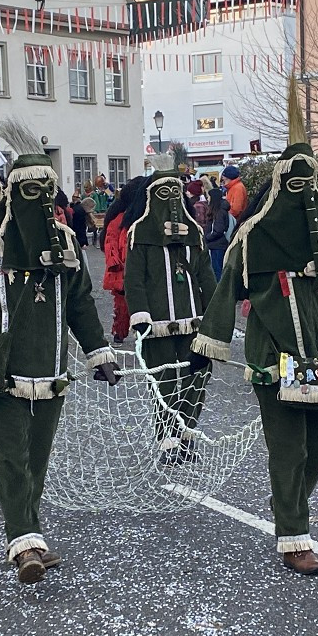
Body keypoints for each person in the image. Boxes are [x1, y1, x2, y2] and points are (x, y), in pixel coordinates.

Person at [189, 77, 318, 577]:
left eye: (313, 185)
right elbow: (225, 289)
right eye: (297, 186)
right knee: (289, 447)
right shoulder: (254, 237)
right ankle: (293, 536)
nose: (307, 197)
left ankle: (290, 504)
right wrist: (210, 344)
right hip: (273, 356)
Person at [0, 148, 118, 585]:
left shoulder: (65, 242)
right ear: (11, 192)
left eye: (46, 189)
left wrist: (99, 352)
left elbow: (79, 302)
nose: (39, 198)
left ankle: (30, 532)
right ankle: (24, 541)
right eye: (29, 190)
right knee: (10, 454)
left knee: (36, 457)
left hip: (50, 366)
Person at [124, 161, 217, 462]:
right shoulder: (140, 233)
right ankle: (167, 439)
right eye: (164, 193)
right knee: (164, 384)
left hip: (194, 323)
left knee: (197, 377)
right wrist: (140, 315)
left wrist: (215, 316)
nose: (172, 200)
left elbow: (206, 278)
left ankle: (186, 433)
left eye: (175, 191)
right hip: (158, 325)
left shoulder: (195, 233)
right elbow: (134, 280)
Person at [101, 176, 143, 347]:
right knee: (125, 303)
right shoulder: (123, 219)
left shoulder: (117, 217)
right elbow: (112, 244)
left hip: (124, 269)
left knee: (124, 303)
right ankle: (126, 331)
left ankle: (123, 332)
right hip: (124, 269)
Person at [204, 181, 233, 280]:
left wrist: (207, 237)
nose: (207, 199)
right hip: (217, 244)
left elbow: (218, 230)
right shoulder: (221, 210)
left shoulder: (219, 212)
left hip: (217, 245)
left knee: (217, 270)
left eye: (209, 197)